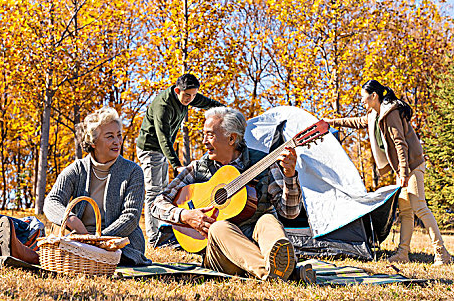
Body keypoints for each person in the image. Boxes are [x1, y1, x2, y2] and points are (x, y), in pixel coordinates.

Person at [150, 107, 315, 282]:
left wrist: (290, 177)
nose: (204, 141)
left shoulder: (263, 162)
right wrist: (185, 215)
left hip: (259, 243)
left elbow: (290, 213)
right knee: (218, 227)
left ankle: (276, 270)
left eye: (210, 135)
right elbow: (157, 203)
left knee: (267, 219)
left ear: (231, 138)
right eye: (203, 134)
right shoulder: (199, 168)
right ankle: (282, 274)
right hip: (223, 255)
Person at [0, 106, 151, 266]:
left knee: (76, 255)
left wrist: (97, 240)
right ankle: (21, 253)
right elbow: (52, 201)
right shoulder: (77, 169)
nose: (117, 141)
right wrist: (70, 218)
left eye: (119, 135)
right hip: (78, 239)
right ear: (93, 142)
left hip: (118, 244)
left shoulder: (133, 171)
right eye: (109, 136)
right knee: (61, 236)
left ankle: (29, 256)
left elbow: (131, 217)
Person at [325, 80, 452, 265]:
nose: (361, 101)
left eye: (363, 97)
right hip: (405, 168)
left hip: (412, 166)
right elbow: (357, 122)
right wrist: (332, 122)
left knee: (419, 207)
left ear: (373, 96)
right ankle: (403, 254)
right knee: (406, 211)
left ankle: (442, 253)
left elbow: (401, 143)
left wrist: (403, 173)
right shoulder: (374, 115)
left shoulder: (390, 113)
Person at [137, 73, 223, 247]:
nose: (190, 99)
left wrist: (226, 112)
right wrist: (176, 165)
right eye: (187, 96)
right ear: (177, 90)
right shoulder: (163, 105)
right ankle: (153, 239)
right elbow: (163, 139)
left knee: (163, 191)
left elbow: (209, 103)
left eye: (193, 96)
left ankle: (163, 234)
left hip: (161, 150)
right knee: (154, 192)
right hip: (150, 148)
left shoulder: (188, 96)